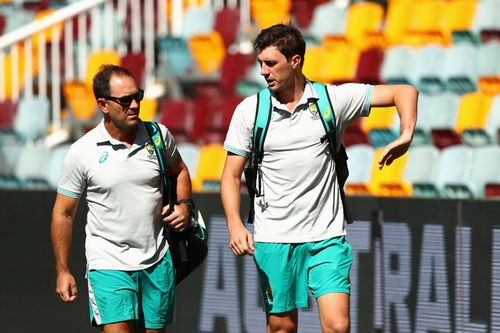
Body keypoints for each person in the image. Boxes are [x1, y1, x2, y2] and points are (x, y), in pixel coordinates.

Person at [220, 23, 418, 333]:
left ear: (295, 61)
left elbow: (404, 91)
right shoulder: (250, 110)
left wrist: (406, 133)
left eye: (271, 63)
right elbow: (230, 175)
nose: (263, 72)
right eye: (260, 63)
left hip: (327, 236)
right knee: (281, 327)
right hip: (274, 237)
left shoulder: (331, 100)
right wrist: (234, 224)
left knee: (338, 326)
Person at [51, 64, 192, 333]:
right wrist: (62, 270)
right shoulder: (82, 152)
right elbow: (63, 213)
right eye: (125, 100)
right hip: (108, 262)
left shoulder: (159, 136)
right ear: (103, 105)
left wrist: (184, 205)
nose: (136, 105)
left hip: (157, 259)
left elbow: (181, 171)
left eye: (138, 95)